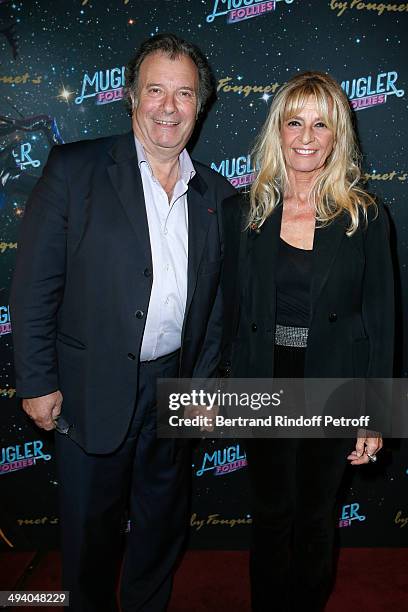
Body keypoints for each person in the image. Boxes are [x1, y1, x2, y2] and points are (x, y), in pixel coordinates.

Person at [10, 33, 235, 612]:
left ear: (200, 105)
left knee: (162, 527)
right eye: (155, 90)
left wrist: (203, 388)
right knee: (89, 535)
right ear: (131, 98)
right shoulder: (75, 169)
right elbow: (34, 288)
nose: (168, 106)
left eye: (183, 93)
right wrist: (35, 381)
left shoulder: (216, 193)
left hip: (175, 389)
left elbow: (214, 307)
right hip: (89, 388)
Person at [220, 72, 394, 611]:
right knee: (272, 513)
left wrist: (377, 413)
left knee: (316, 515)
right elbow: (223, 313)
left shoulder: (364, 215)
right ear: (278, 129)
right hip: (262, 381)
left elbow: (382, 320)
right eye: (294, 121)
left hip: (333, 385)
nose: (306, 136)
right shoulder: (241, 214)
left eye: (322, 124)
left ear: (338, 135)